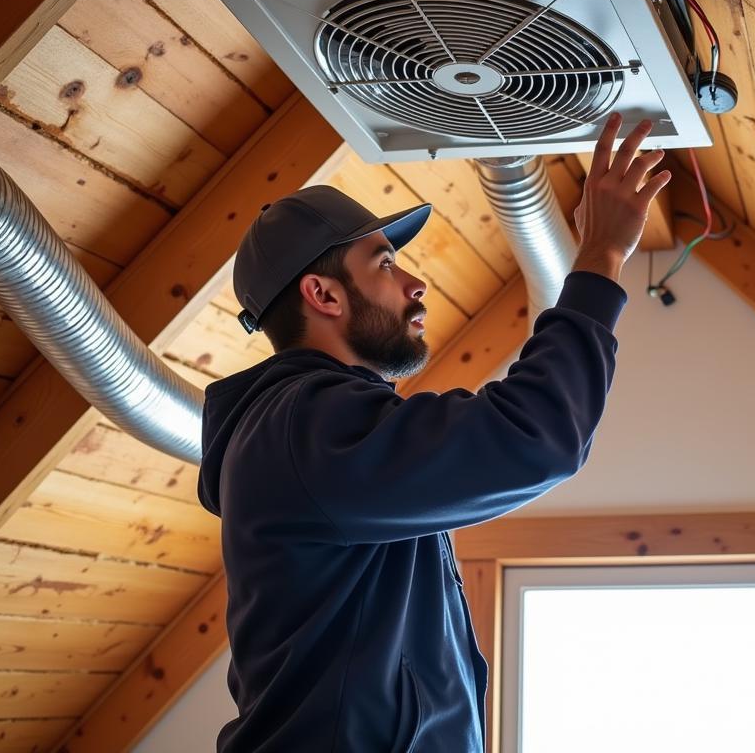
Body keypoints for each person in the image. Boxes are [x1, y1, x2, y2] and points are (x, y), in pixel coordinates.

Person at [197, 113, 670, 752]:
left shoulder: (314, 427)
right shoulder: (306, 425)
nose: (415, 285)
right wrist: (600, 257)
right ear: (324, 295)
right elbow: (530, 436)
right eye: (386, 264)